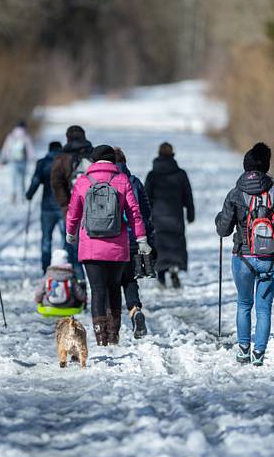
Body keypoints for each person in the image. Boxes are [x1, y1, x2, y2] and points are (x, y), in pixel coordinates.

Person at [215, 142, 274, 366]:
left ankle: (243, 350)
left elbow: (223, 229)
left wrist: (219, 218)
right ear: (266, 167)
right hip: (272, 260)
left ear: (245, 167)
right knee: (264, 307)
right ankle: (259, 353)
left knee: (244, 304)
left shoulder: (236, 194)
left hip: (243, 259)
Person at [66, 145, 149, 346]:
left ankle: (100, 337)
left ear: (93, 161)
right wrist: (141, 239)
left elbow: (73, 211)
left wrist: (71, 232)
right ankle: (114, 335)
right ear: (113, 161)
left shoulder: (83, 181)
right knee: (113, 289)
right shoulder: (122, 181)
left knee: (97, 290)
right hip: (117, 246)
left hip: (90, 246)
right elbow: (134, 213)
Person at [114, 147, 155, 339]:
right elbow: (146, 211)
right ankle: (135, 310)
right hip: (132, 239)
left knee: (110, 283)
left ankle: (111, 327)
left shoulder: (102, 182)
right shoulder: (135, 182)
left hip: (110, 240)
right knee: (130, 280)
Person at [145, 142, 194, 289]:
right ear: (172, 154)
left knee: (160, 245)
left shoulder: (152, 175)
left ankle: (161, 273)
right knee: (176, 245)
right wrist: (190, 214)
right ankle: (174, 268)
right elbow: (188, 196)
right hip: (176, 217)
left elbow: (146, 197)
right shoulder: (180, 174)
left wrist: (145, 217)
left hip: (158, 217)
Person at [51, 125, 93, 277]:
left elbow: (56, 182)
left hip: (71, 210)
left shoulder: (62, 158)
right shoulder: (93, 154)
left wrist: (65, 204)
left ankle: (79, 285)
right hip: (95, 209)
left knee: (72, 250)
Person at [26, 141, 65, 272]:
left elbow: (36, 181)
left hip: (47, 208)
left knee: (46, 240)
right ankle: (67, 269)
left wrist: (29, 194)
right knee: (67, 239)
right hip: (63, 207)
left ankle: (45, 270)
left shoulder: (42, 163)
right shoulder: (65, 163)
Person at [1, 120, 35, 203]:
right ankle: (23, 196)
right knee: (22, 179)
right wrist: (32, 159)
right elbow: (30, 149)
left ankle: (14, 194)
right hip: (23, 161)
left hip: (13, 161)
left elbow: (6, 148)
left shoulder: (11, 136)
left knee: (14, 179)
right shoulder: (26, 136)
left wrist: (4, 157)